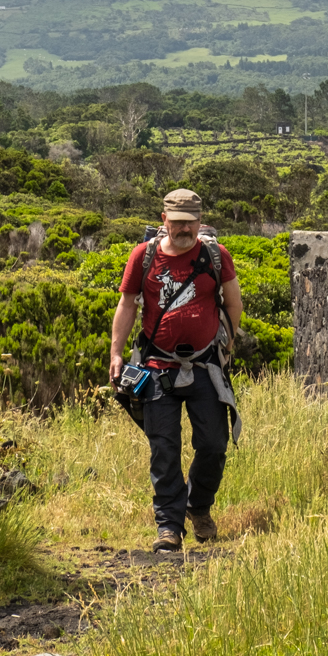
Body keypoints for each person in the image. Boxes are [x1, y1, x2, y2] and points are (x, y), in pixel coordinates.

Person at [109, 188, 245, 552]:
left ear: (200, 222)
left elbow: (233, 303)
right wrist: (116, 353)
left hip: (205, 367)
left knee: (214, 445)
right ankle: (169, 526)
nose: (184, 229)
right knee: (163, 449)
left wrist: (226, 343)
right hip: (156, 366)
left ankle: (197, 507)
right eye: (177, 222)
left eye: (190, 222)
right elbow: (127, 305)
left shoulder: (216, 256)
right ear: (164, 219)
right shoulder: (144, 256)